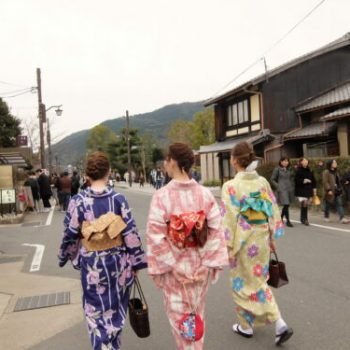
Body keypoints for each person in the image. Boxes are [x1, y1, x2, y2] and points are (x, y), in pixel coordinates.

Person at [58, 151, 147, 350]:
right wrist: (136, 261)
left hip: (92, 266)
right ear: (108, 172)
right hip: (118, 263)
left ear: (87, 175)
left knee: (95, 312)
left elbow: (70, 233)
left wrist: (67, 254)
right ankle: (112, 345)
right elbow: (130, 232)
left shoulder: (77, 201)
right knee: (115, 310)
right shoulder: (118, 199)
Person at [146, 142, 228, 350]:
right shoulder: (205, 194)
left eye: (166, 160)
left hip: (175, 273)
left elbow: (156, 237)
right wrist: (207, 264)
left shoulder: (161, 196)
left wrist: (174, 266)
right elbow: (216, 232)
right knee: (195, 318)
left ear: (172, 162)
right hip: (200, 269)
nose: (165, 164)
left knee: (182, 324)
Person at [221, 141, 293, 346]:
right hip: (260, 238)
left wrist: (228, 246)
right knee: (258, 280)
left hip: (242, 241)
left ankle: (278, 323)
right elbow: (270, 209)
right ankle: (248, 325)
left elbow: (229, 217)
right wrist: (271, 238)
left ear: (235, 161)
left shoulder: (231, 186)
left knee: (242, 284)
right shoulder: (262, 182)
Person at [270, 157, 295, 227]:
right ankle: (288, 221)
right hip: (282, 189)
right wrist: (278, 186)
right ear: (281, 162)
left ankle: (281, 218)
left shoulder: (290, 169)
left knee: (287, 205)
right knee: (286, 204)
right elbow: (272, 179)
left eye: (287, 161)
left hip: (289, 189)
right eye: (284, 161)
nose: (285, 162)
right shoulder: (277, 169)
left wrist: (292, 185)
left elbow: (292, 177)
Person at [294, 158, 316, 226]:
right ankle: (305, 219)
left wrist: (314, 189)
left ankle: (302, 218)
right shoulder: (298, 170)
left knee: (305, 204)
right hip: (301, 189)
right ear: (301, 162)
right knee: (305, 203)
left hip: (308, 189)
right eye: (304, 161)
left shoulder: (310, 170)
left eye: (306, 161)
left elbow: (314, 180)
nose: (306, 162)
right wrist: (304, 180)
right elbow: (296, 180)